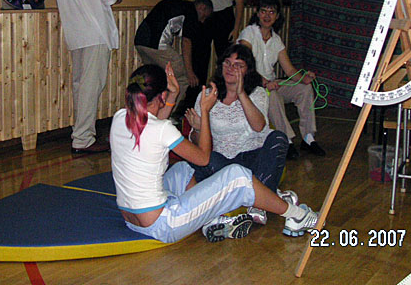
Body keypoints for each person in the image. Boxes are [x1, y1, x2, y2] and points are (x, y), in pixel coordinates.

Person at [109, 63, 318, 244]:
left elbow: (156, 124)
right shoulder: (163, 130)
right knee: (238, 176)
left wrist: (172, 95)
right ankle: (297, 216)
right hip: (162, 224)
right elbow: (203, 158)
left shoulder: (120, 117)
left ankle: (210, 218)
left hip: (132, 219)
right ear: (161, 96)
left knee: (184, 169)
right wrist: (205, 113)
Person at [186, 43, 292, 226]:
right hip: (223, 163)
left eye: (238, 65)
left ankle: (259, 202)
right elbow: (197, 144)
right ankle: (267, 195)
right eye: (227, 63)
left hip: (253, 158)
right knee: (205, 161)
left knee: (279, 138)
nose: (231, 68)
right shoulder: (207, 95)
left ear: (248, 70)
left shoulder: (258, 93)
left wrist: (241, 93)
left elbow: (259, 126)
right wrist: (198, 128)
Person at [56, 0, 122, 154]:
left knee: (80, 85)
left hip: (75, 31)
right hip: (96, 30)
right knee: (91, 87)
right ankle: (83, 138)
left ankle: (80, 133)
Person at [237, 0, 325, 159]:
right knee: (273, 95)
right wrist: (264, 82)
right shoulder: (248, 33)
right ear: (257, 13)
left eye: (271, 12)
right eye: (264, 11)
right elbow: (244, 64)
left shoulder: (276, 40)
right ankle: (286, 141)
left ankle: (308, 138)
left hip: (271, 83)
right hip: (252, 85)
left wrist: (304, 78)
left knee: (304, 88)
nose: (267, 16)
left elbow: (290, 70)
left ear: (277, 16)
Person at [134, 0, 213, 111]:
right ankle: (166, 113)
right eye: (204, 16)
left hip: (140, 42)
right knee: (183, 77)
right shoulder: (191, 12)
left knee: (155, 77)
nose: (202, 21)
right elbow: (186, 42)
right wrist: (190, 72)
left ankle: (147, 111)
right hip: (156, 44)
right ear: (202, 7)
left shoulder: (177, 5)